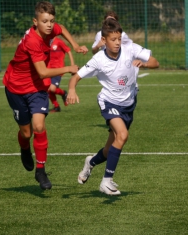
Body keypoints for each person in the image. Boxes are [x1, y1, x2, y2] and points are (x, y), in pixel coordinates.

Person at [67, 18, 159, 195]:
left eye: (119, 39)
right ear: (104, 40)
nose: (117, 43)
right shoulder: (98, 59)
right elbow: (75, 77)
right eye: (113, 40)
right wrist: (71, 90)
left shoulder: (130, 49)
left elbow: (155, 62)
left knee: (111, 149)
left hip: (129, 104)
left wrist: (144, 63)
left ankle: (90, 163)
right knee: (123, 135)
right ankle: (106, 181)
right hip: (109, 102)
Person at [3, 1, 88, 190]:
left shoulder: (50, 29)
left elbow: (62, 28)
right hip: (15, 87)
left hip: (38, 88)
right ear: (35, 22)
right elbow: (42, 71)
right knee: (26, 133)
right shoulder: (32, 40)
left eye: (51, 20)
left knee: (39, 126)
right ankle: (25, 148)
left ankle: (40, 170)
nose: (49, 25)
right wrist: (68, 68)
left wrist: (74, 45)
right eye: (44, 21)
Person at [47, 37, 75, 112]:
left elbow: (68, 50)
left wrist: (72, 65)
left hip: (58, 69)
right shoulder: (46, 41)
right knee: (47, 88)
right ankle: (56, 106)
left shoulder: (59, 42)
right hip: (48, 69)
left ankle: (63, 93)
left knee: (52, 88)